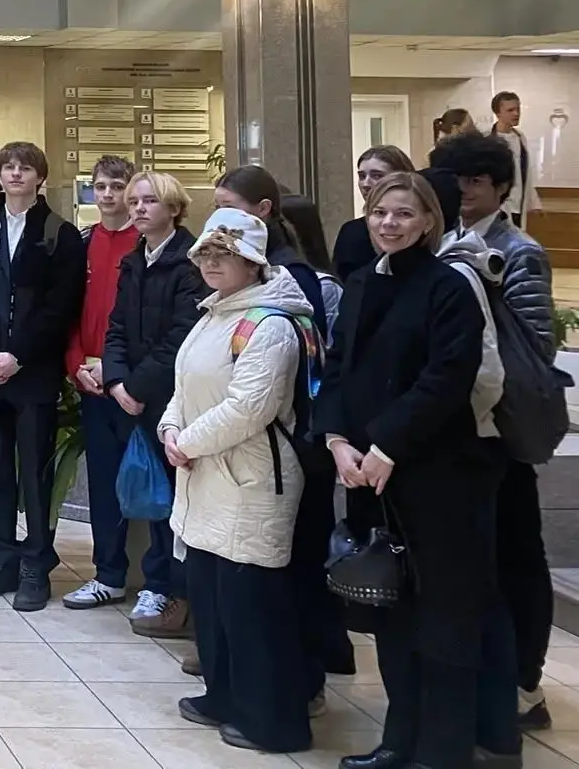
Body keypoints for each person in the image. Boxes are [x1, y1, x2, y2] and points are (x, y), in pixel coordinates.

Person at [316, 172, 500, 769]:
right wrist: (338, 440)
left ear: (427, 222)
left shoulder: (449, 286)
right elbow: (338, 368)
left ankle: (443, 750)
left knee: (442, 617)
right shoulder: (363, 282)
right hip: (367, 475)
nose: (389, 223)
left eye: (402, 213)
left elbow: (447, 376)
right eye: (379, 212)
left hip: (435, 474)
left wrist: (387, 445)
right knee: (391, 613)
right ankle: (399, 740)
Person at [159, 206, 315, 755]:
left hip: (250, 479)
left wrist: (186, 442)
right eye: (206, 253)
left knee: (254, 609)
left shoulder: (271, 323)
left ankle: (272, 720)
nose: (212, 264)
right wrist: (170, 427)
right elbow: (185, 386)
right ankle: (223, 695)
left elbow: (250, 407)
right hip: (205, 476)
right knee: (215, 601)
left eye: (225, 255)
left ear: (253, 262)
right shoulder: (213, 315)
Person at [427, 131, 559, 730]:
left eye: (477, 181)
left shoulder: (518, 250)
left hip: (502, 425)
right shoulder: (446, 240)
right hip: (460, 427)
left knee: (517, 553)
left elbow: (534, 345)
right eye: (457, 180)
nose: (465, 190)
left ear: (502, 186)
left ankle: (526, 680)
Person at [214, 165, 350, 685]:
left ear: (262, 211)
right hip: (255, 442)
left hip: (285, 440)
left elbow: (297, 371)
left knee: (294, 564)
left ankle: (302, 676)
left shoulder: (290, 279)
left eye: (230, 208)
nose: (220, 221)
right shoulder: (244, 275)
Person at [0, 141, 86, 612]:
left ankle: (36, 565)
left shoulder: (59, 233)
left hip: (33, 373)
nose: (15, 174)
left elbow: (60, 307)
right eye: (8, 167)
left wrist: (17, 356)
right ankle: (1, 562)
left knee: (34, 473)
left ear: (39, 177)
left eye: (24, 168)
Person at [79, 171, 203, 633]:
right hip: (124, 394)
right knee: (124, 486)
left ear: (173, 207)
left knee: (165, 499)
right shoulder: (135, 261)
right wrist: (116, 381)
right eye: (135, 202)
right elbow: (115, 328)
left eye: (149, 201)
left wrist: (134, 388)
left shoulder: (190, 262)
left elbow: (180, 338)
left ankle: (163, 586)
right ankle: (111, 576)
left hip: (167, 401)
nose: (138, 208)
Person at [62, 156, 141, 608]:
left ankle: (159, 584)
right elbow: (70, 312)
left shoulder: (144, 243)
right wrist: (75, 364)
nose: (108, 194)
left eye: (117, 186)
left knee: (149, 481)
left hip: (132, 386)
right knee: (104, 483)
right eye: (101, 186)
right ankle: (108, 574)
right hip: (91, 382)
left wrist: (117, 372)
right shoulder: (84, 242)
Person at [333, 146, 414, 284]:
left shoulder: (417, 225)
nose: (366, 184)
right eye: (362, 176)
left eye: (377, 176)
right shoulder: (351, 231)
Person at [491, 91, 540, 229]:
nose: (516, 114)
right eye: (510, 110)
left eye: (518, 109)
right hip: (498, 205)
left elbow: (526, 172)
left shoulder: (519, 137)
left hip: (518, 203)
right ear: (498, 113)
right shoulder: (488, 139)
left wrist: (534, 202)